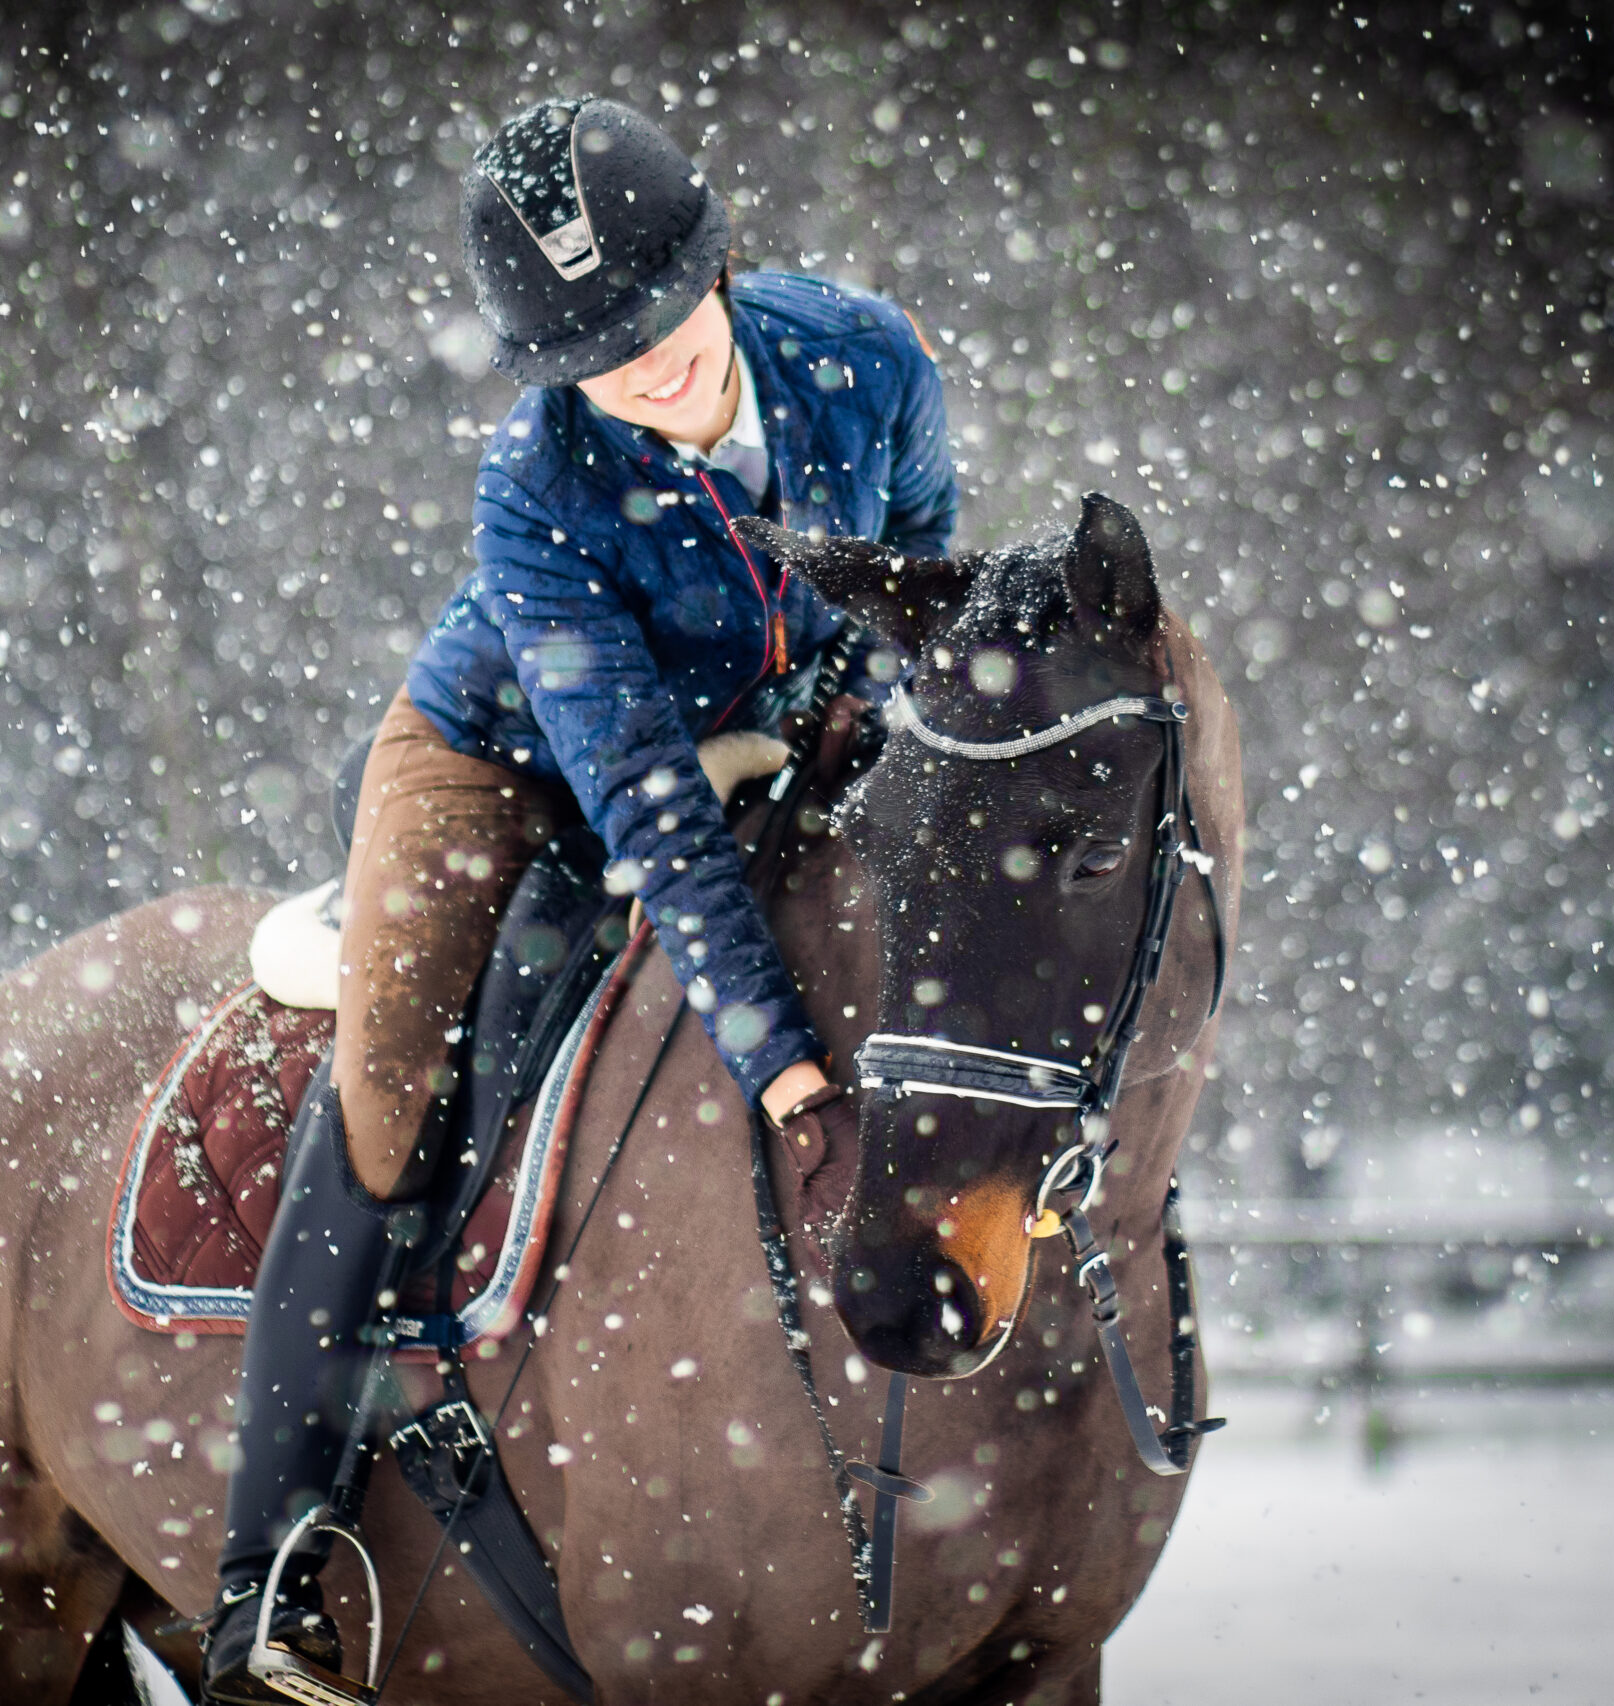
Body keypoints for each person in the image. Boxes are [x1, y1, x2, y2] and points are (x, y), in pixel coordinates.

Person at [198, 94, 957, 1703]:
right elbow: (648, 810)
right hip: (504, 756)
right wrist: (784, 1067)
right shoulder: (537, 485)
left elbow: (920, 578)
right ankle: (270, 1571)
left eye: (663, 318)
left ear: (717, 264)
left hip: (763, 727)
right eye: (598, 353)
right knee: (391, 1081)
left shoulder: (869, 358)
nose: (648, 367)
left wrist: (866, 708)